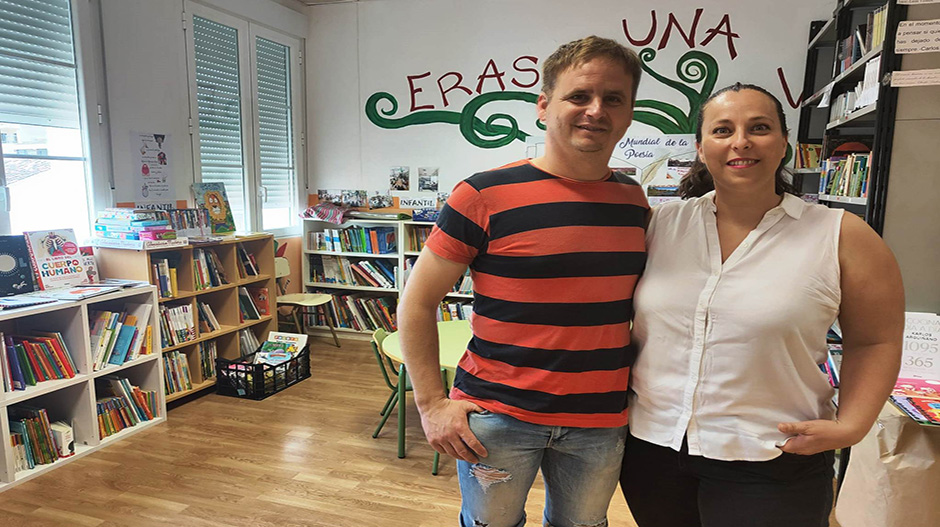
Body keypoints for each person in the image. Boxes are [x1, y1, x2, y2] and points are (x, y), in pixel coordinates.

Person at [620, 82, 904, 527]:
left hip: (773, 458)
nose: (741, 141)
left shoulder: (840, 235)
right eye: (722, 129)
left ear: (784, 142)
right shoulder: (660, 225)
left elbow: (875, 340)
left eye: (759, 127)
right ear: (700, 147)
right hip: (653, 452)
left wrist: (853, 425)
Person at [397, 35, 648, 527]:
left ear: (628, 112)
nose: (596, 110)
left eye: (613, 99)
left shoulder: (634, 201)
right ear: (543, 105)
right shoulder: (481, 194)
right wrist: (429, 404)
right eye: (579, 96)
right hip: (497, 414)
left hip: (600, 420)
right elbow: (416, 302)